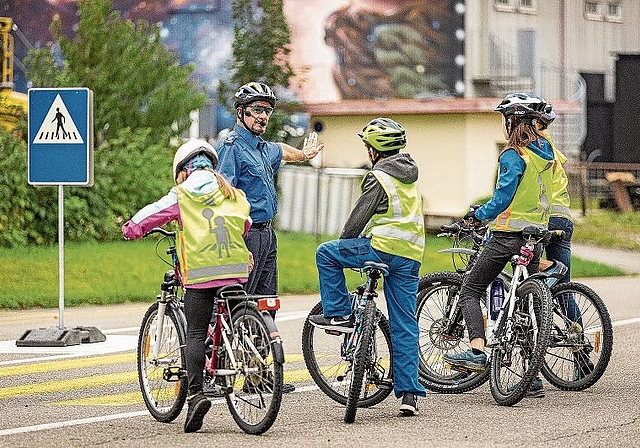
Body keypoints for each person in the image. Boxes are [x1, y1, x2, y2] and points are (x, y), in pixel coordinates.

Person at [122, 138, 252, 433]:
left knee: (195, 331)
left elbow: (151, 214)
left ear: (183, 171)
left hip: (202, 271)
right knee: (231, 316)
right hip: (235, 266)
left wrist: (130, 229)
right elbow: (244, 224)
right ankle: (243, 351)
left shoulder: (183, 193)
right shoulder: (230, 192)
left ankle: (195, 396)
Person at [307, 117, 426, 416]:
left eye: (367, 145)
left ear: (375, 149)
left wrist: (346, 240)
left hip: (382, 249)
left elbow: (357, 220)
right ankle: (409, 393)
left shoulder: (379, 176)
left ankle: (338, 314)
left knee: (326, 254)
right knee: (405, 322)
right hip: (411, 255)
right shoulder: (409, 174)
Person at [442, 93, 556, 398]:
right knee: (527, 302)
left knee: (470, 289)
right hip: (536, 234)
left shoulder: (512, 155)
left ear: (511, 122)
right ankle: (530, 376)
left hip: (507, 234)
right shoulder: (545, 152)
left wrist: (478, 215)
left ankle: (477, 351)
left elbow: (503, 198)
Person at [215, 81, 323, 394]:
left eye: (267, 111)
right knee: (236, 304)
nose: (263, 116)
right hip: (245, 235)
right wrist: (235, 239)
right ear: (240, 113)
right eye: (257, 111)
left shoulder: (262, 147)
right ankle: (220, 373)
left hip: (267, 234)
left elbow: (281, 150)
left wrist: (303, 154)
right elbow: (224, 193)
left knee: (265, 305)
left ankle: (256, 376)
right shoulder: (232, 147)